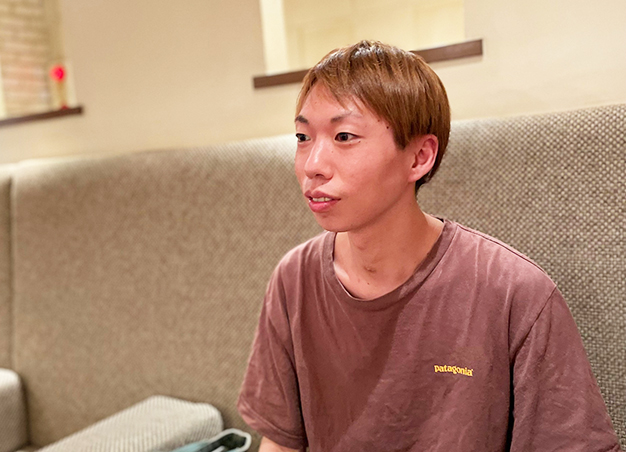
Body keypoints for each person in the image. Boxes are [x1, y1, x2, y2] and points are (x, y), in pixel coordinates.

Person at [237, 40, 621, 452]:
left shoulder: (514, 292)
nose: (312, 165)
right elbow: (280, 442)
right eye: (302, 137)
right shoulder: (294, 279)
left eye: (344, 136)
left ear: (420, 157)